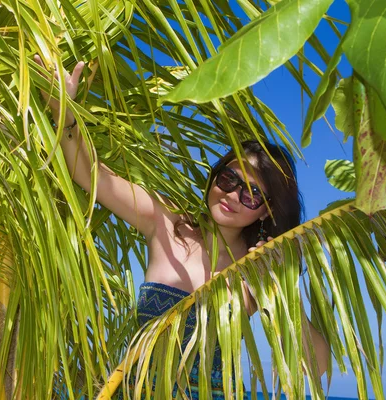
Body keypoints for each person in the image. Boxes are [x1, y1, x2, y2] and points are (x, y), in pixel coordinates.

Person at [34, 57, 330, 398]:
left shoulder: (257, 269)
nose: (232, 195)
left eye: (251, 194)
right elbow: (89, 175)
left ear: (266, 212)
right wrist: (64, 110)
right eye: (229, 178)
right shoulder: (166, 222)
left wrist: (277, 294)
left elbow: (316, 366)